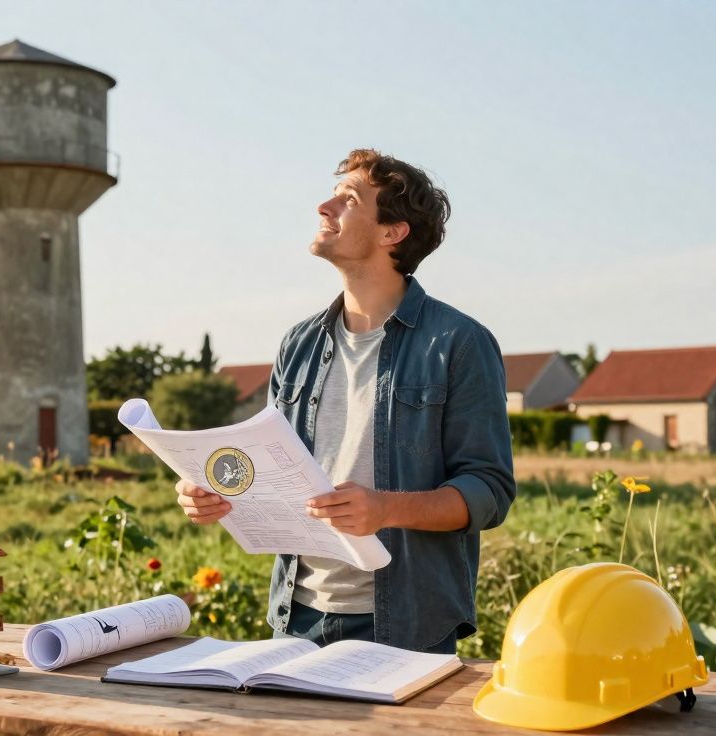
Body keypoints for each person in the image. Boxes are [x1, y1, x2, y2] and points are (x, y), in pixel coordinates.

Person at [174, 149, 515, 654]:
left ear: (391, 232)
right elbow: (272, 468)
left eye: (348, 199)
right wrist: (215, 491)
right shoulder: (299, 343)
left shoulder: (459, 343)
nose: (324, 207)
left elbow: (488, 492)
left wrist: (385, 508)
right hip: (296, 619)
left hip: (409, 626)